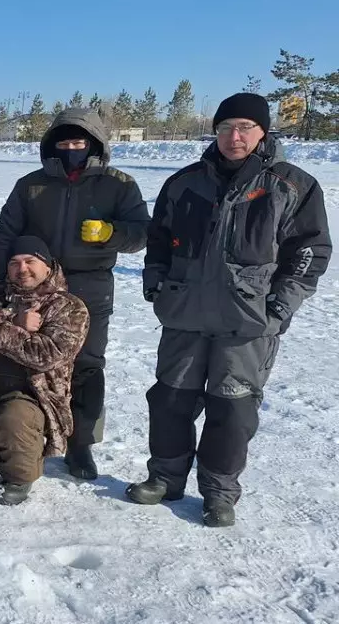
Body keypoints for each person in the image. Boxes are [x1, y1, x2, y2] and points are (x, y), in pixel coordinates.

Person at [128, 93, 331, 527]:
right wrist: (156, 284)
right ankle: (164, 476)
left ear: (263, 133)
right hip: (185, 314)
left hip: (248, 322)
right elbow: (158, 241)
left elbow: (310, 252)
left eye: (244, 128)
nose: (234, 137)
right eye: (225, 128)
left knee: (232, 409)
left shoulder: (291, 185)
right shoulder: (184, 183)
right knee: (169, 400)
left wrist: (279, 307)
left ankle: (219, 494)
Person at [0, 108, 150, 481]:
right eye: (64, 142)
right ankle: (24, 434)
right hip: (33, 284)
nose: (71, 148)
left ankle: (81, 444)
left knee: (87, 363)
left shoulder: (118, 184)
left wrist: (111, 233)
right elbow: (6, 236)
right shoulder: (31, 185)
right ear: (51, 146)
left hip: (91, 283)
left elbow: (142, 232)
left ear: (94, 144)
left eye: (79, 142)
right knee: (23, 357)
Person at [0, 237, 89, 505]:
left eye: (30, 261)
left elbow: (46, 355)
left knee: (13, 419)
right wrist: (15, 322)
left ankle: (20, 475)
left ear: (48, 267)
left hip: (31, 396)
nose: (22, 268)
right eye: (14, 263)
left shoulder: (68, 306)